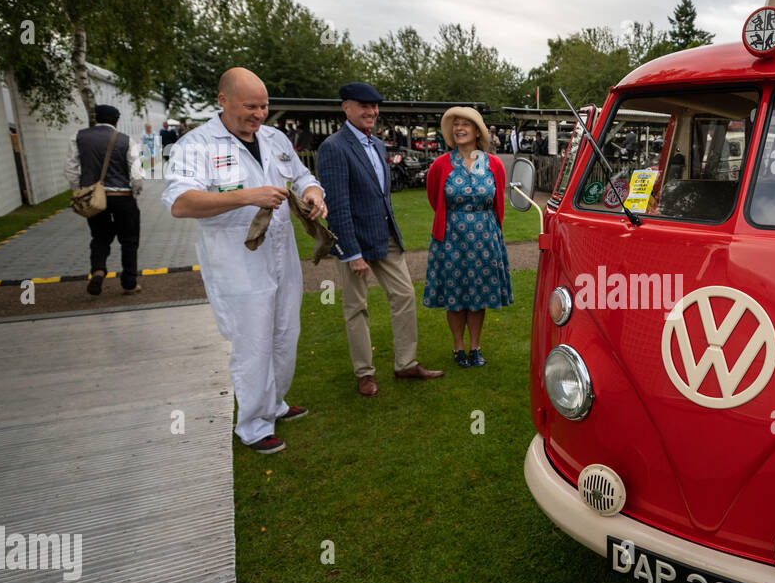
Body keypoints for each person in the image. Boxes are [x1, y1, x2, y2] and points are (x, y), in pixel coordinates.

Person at [162, 67, 327, 455]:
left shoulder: (274, 138)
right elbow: (181, 203)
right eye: (250, 106)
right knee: (253, 342)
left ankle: (275, 404)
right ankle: (253, 425)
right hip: (237, 263)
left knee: (285, 333)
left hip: (282, 255)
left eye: (264, 106)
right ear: (222, 101)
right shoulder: (196, 145)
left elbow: (302, 175)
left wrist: (315, 193)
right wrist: (245, 196)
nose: (259, 114)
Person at [317, 82, 443, 397]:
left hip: (385, 237)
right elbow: (338, 206)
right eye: (364, 106)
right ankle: (364, 374)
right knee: (356, 307)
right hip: (353, 242)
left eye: (375, 106)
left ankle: (406, 364)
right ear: (346, 107)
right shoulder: (334, 147)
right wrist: (352, 253)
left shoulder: (377, 145)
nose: (371, 112)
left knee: (404, 296)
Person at [424, 107, 513, 367]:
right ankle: (458, 347)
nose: (459, 129)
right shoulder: (441, 164)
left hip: (485, 237)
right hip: (451, 237)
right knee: (455, 295)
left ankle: (475, 346)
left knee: (479, 295)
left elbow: (499, 201)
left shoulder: (493, 164)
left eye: (466, 124)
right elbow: (434, 197)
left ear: (477, 131)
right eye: (456, 125)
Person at [63, 103, 146, 295]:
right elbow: (136, 173)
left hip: (94, 199)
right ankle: (129, 283)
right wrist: (134, 193)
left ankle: (98, 269)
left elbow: (70, 169)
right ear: (116, 121)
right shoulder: (126, 140)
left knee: (99, 236)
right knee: (129, 240)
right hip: (122, 196)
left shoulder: (78, 137)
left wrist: (81, 191)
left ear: (96, 118)